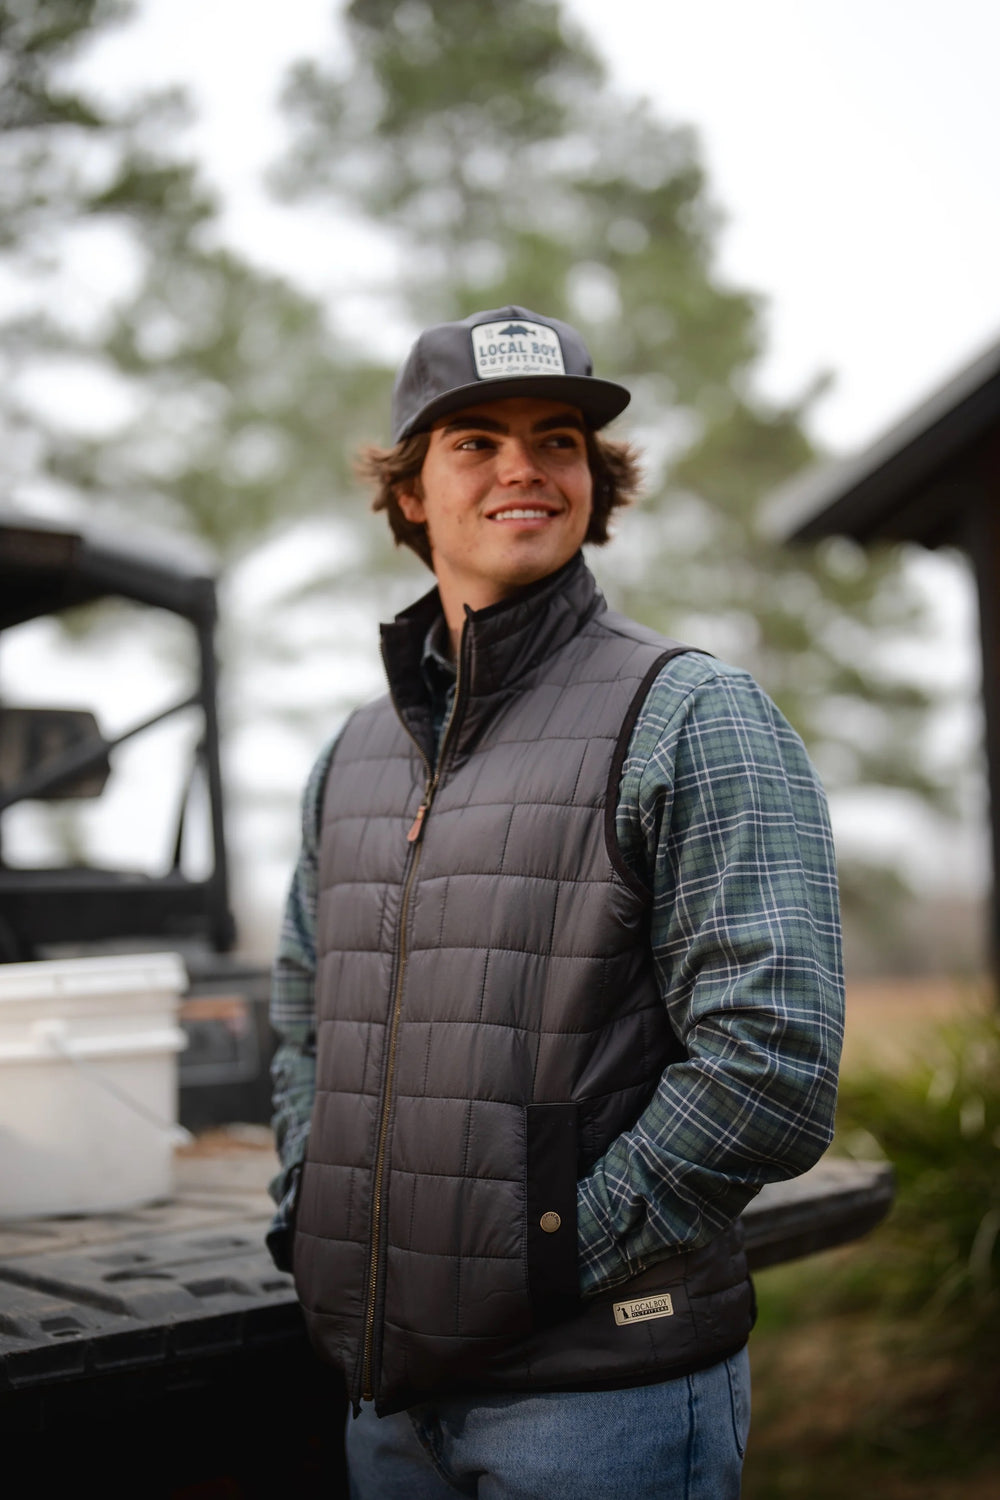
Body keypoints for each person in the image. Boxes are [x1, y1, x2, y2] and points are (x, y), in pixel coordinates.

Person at [267, 305, 844, 1499]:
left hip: (602, 1400)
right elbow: (300, 1022)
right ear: (411, 494)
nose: (523, 465)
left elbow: (770, 1068)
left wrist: (546, 1260)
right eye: (474, 439)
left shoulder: (691, 713)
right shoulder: (355, 755)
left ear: (596, 481)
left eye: (558, 439)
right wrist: (309, 1204)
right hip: (388, 1406)